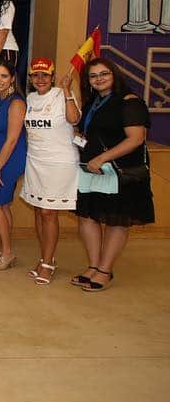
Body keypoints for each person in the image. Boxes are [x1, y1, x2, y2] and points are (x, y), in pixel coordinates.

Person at [71, 58, 154, 292]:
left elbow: (136, 138)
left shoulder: (130, 102)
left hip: (118, 170)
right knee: (88, 216)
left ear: (114, 75)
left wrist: (102, 158)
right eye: (93, 76)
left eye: (103, 74)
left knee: (116, 219)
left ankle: (105, 270)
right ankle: (93, 265)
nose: (99, 79)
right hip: (91, 168)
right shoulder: (93, 102)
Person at [20, 58, 80, 285]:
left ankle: (47, 264)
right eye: (36, 75)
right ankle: (47, 257)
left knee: (48, 213)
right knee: (38, 210)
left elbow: (74, 119)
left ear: (52, 76)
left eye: (45, 75)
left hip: (59, 163)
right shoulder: (30, 98)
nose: (40, 79)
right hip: (35, 161)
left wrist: (66, 90)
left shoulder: (60, 94)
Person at [0, 61, 27, 271]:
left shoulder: (16, 103)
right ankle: (6, 249)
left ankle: (7, 253)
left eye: (3, 76)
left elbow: (12, 139)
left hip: (8, 159)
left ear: (12, 78)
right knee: (3, 205)